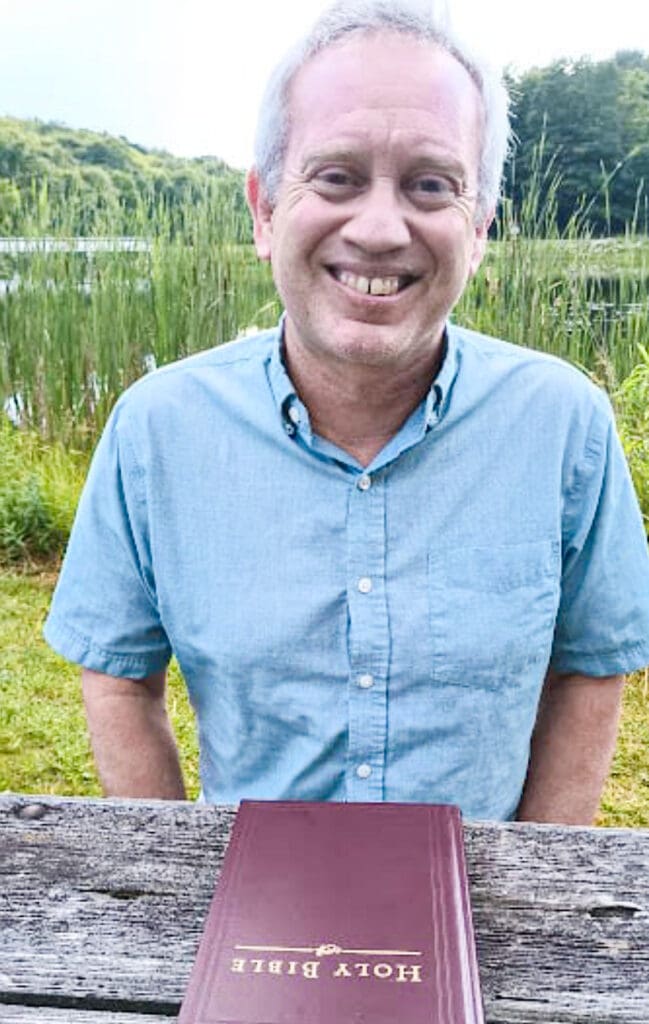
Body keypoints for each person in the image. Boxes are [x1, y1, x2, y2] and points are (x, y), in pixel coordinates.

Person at [44, 0, 649, 823]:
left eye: (430, 185)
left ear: (476, 229)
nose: (377, 226)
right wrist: (184, 876)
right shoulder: (157, 429)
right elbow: (116, 671)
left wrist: (532, 880)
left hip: (480, 903)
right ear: (263, 210)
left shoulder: (563, 425)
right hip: (254, 917)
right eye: (335, 177)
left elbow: (590, 665)